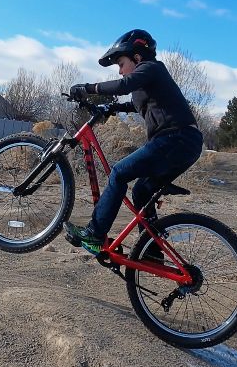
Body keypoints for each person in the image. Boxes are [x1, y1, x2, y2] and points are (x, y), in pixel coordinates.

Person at [64, 29, 204, 254]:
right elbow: (137, 103)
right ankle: (151, 254)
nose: (120, 71)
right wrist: (113, 107)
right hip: (183, 143)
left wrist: (88, 88)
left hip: (176, 139)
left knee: (119, 172)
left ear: (137, 57)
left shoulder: (152, 67)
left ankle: (95, 234)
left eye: (121, 64)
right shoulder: (150, 83)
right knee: (141, 192)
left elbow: (124, 86)